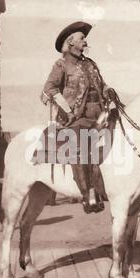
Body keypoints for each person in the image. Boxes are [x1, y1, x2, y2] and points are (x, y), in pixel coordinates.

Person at [40, 21, 113, 214]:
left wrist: (109, 90)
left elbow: (102, 85)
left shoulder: (91, 64)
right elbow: (50, 89)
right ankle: (87, 195)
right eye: (82, 38)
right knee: (80, 148)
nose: (85, 41)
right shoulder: (61, 64)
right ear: (70, 42)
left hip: (99, 113)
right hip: (77, 118)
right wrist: (68, 110)